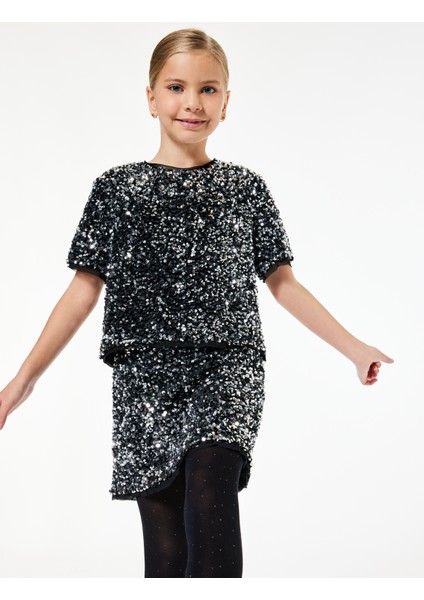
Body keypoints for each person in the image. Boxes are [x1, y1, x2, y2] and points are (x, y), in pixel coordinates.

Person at [0, 28, 394, 578]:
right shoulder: (115, 190)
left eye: (208, 89)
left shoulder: (245, 189)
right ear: (151, 97)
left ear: (226, 103)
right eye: (176, 87)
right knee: (166, 555)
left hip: (226, 368)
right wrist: (21, 384)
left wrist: (354, 348)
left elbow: (282, 282)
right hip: (145, 378)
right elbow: (83, 290)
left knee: (211, 496)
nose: (193, 102)